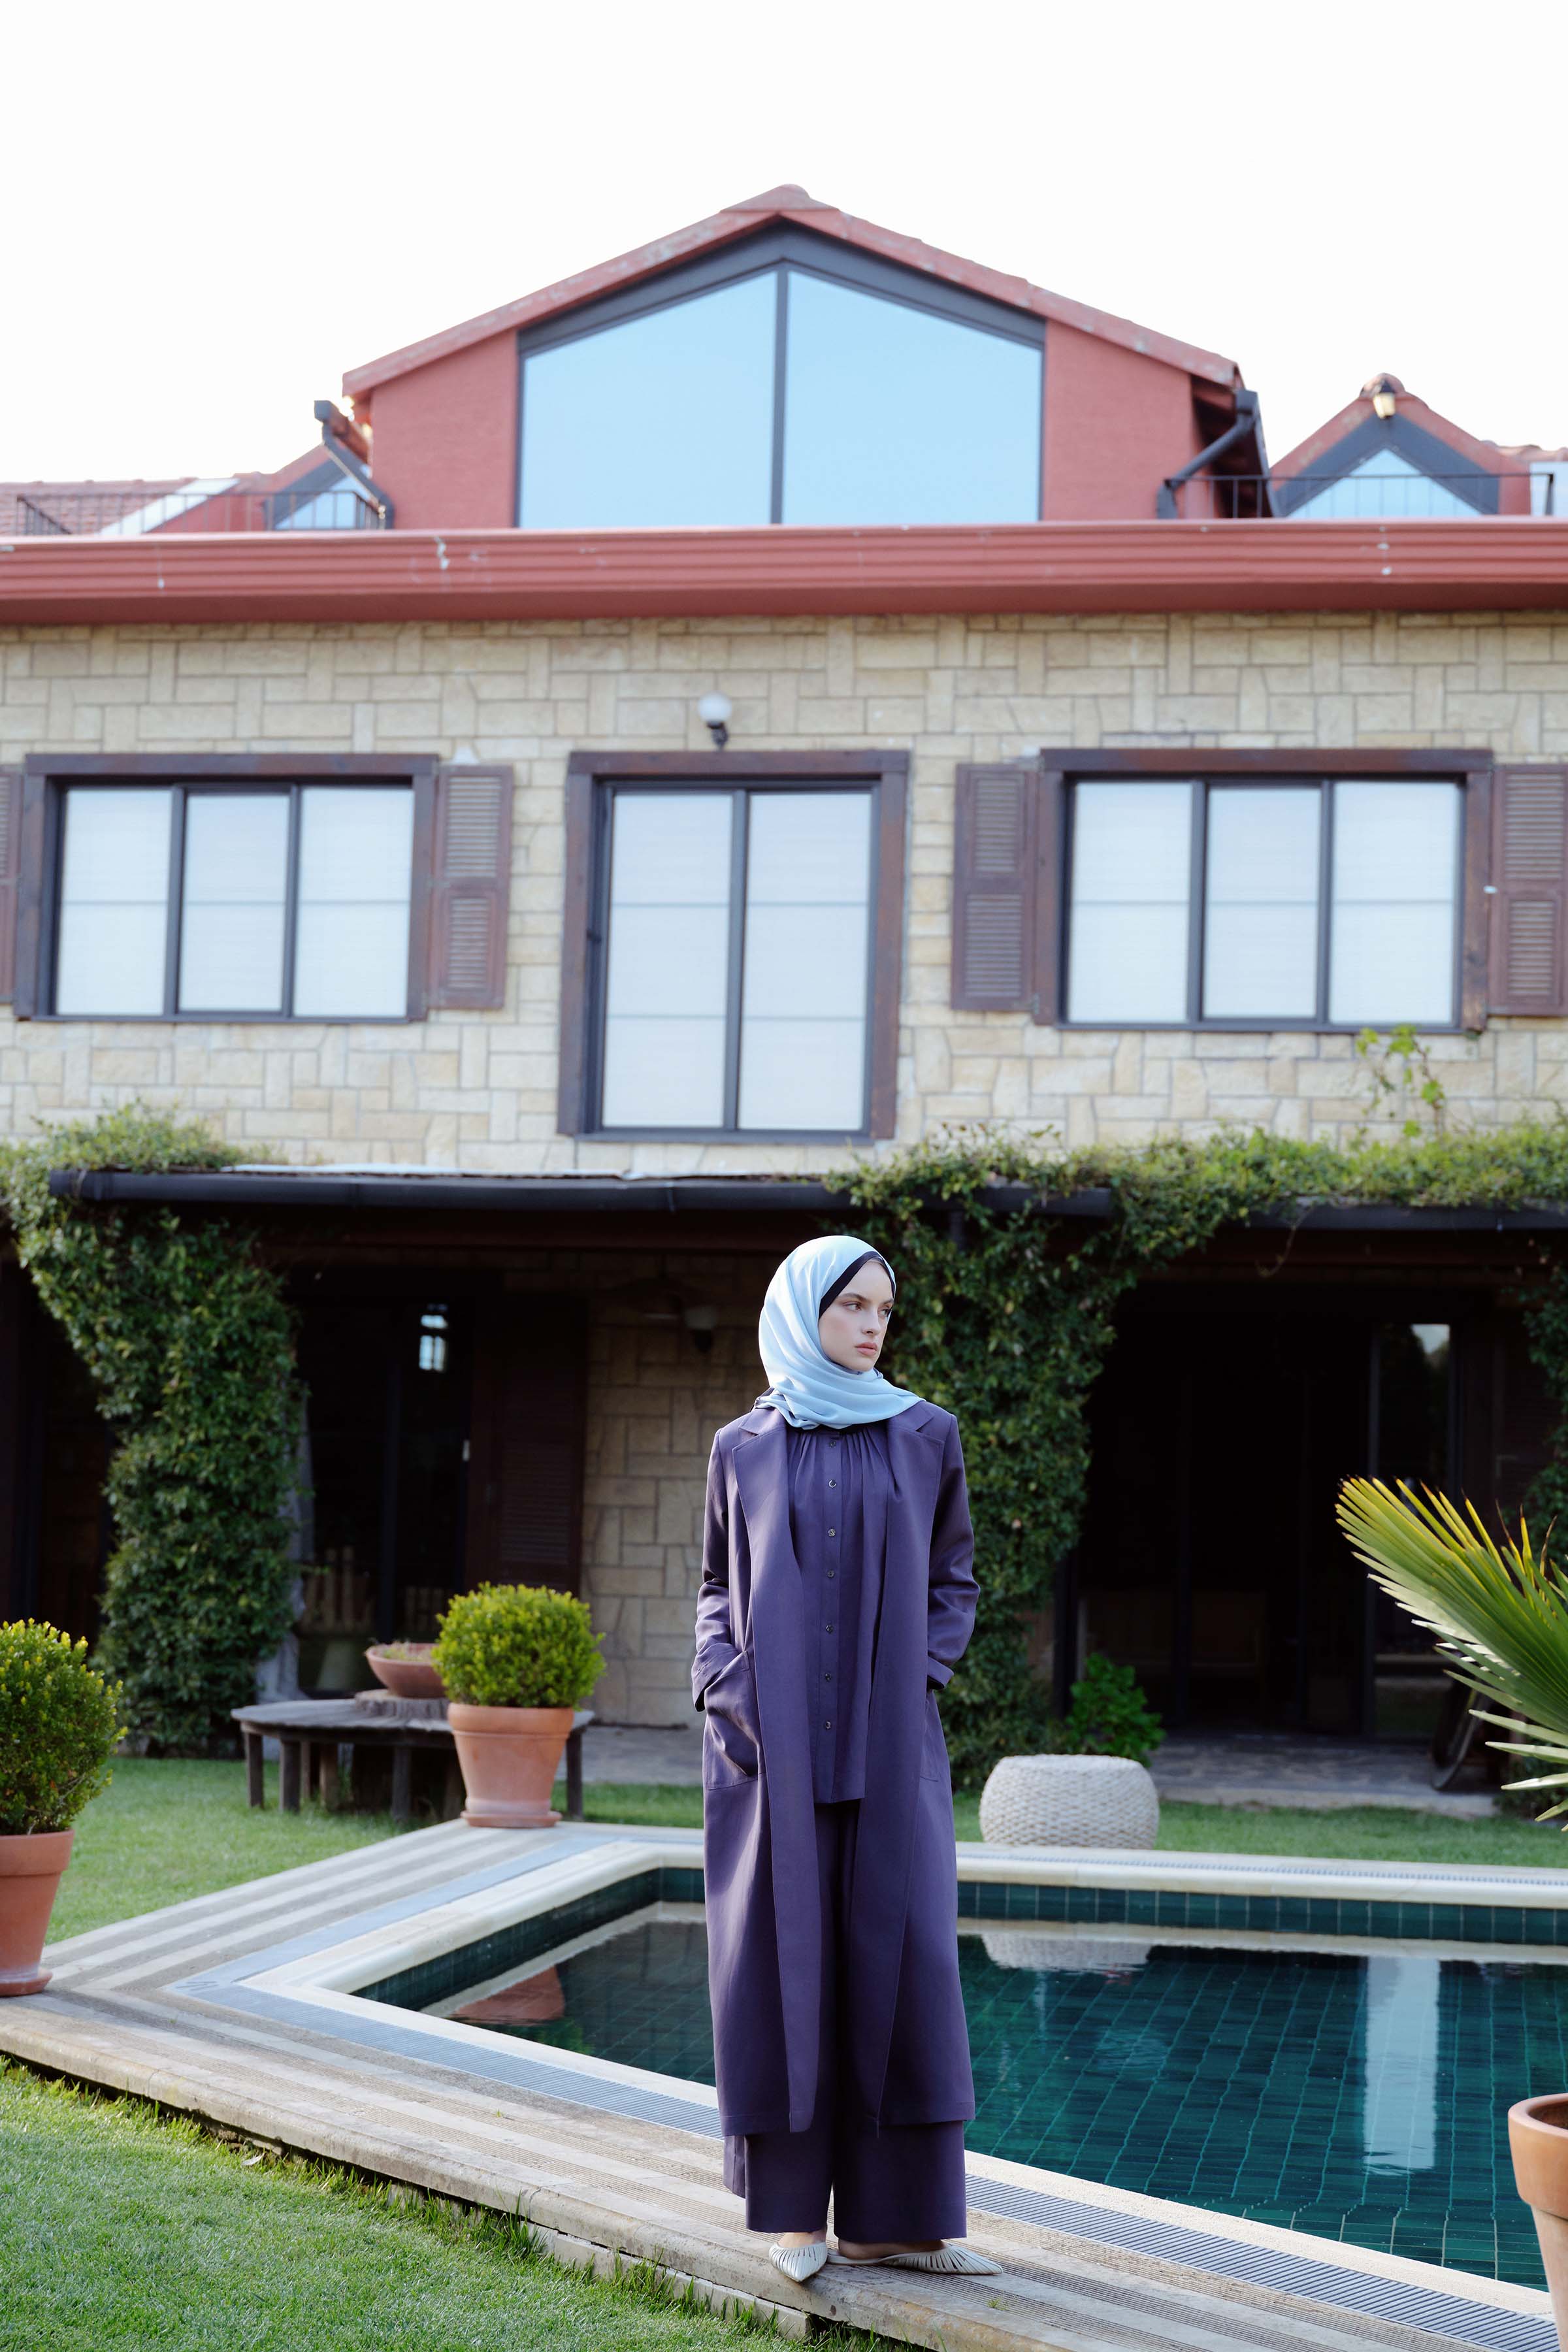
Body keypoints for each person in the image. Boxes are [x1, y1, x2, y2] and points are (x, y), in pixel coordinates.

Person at [692, 1233, 1000, 2285]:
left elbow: (954, 1580)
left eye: (883, 1310)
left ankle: (892, 2223)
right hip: (765, 1758)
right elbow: (715, 1589)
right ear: (803, 1312)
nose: (872, 1327)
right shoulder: (743, 1446)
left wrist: (920, 1675)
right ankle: (793, 2220)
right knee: (782, 1973)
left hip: (887, 1752)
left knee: (904, 1969)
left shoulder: (926, 1435)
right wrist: (726, 1689)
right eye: (852, 1307)